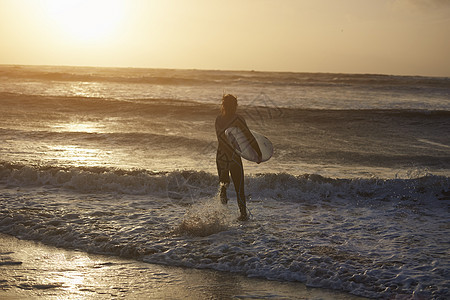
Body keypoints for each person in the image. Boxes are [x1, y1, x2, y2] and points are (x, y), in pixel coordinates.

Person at [215, 94, 262, 221]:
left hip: (221, 157)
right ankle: (243, 215)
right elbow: (249, 138)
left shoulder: (218, 119)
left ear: (223, 105)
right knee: (239, 188)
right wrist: (258, 154)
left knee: (223, 187)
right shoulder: (238, 119)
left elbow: (222, 139)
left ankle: (222, 216)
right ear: (235, 106)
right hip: (233, 156)